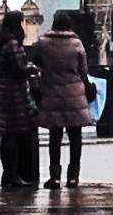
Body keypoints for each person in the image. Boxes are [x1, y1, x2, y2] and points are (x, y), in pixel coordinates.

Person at [32, 10, 92, 187]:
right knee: (75, 137)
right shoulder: (77, 44)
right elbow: (84, 71)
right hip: (75, 95)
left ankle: (55, 176)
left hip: (52, 93)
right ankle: (73, 176)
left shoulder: (43, 43)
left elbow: (36, 64)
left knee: (54, 137)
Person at [0, 15, 40, 190]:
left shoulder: (1, 42)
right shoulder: (12, 44)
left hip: (4, 91)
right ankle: (13, 174)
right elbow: (19, 69)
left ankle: (8, 174)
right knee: (15, 133)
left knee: (7, 135)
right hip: (15, 94)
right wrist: (31, 68)